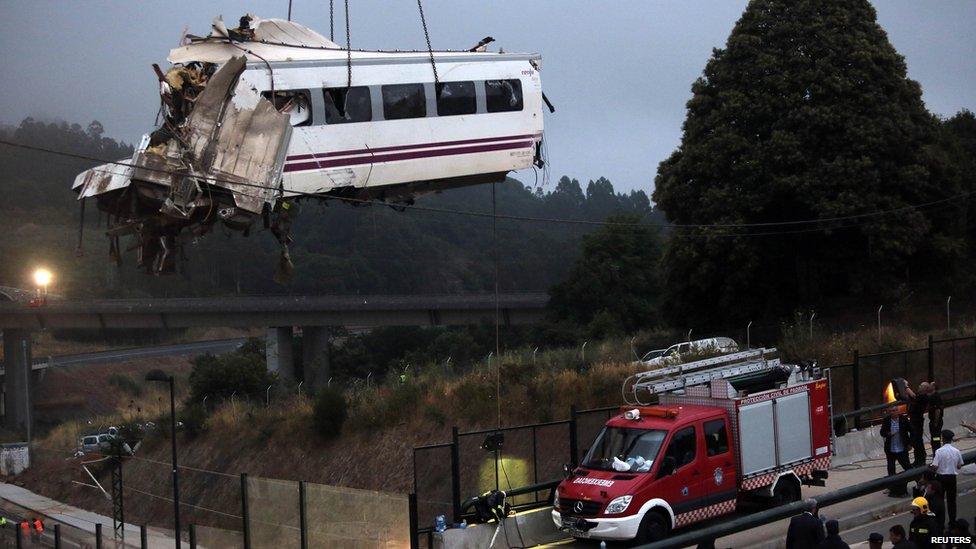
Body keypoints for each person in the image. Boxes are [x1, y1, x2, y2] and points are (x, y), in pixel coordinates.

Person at [931, 429, 964, 525]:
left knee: (939, 501)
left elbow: (935, 466)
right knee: (952, 501)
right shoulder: (956, 451)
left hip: (941, 478)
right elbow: (959, 466)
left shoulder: (939, 451)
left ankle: (939, 521)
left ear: (943, 439)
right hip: (952, 478)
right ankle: (952, 521)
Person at [881, 405, 914, 496]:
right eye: (891, 411)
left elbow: (912, 430)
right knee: (891, 468)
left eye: (895, 410)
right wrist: (888, 434)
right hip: (891, 449)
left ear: (898, 411)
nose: (894, 412)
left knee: (907, 466)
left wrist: (910, 443)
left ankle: (917, 480)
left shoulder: (903, 419)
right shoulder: (887, 420)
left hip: (902, 448)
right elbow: (882, 432)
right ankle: (890, 486)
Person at [906, 382, 928, 467]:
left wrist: (906, 387)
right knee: (915, 440)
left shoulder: (923, 397)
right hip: (914, 420)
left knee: (918, 440)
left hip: (917, 421)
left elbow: (913, 396)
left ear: (925, 389)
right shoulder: (919, 396)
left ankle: (921, 459)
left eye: (921, 386)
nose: (919, 386)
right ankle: (917, 460)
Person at [924, 383, 945, 452]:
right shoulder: (932, 396)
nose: (929, 386)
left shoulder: (936, 396)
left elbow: (938, 410)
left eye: (931, 385)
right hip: (933, 421)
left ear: (934, 387)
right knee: (934, 438)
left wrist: (936, 421)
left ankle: (937, 450)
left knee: (936, 438)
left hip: (936, 421)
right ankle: (935, 448)